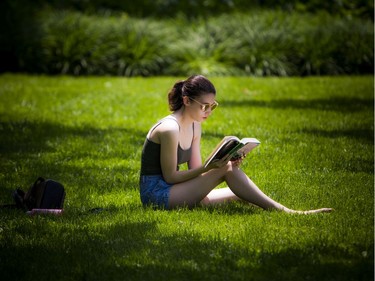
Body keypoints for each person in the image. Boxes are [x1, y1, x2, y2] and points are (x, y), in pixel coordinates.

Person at [139, 74, 332, 214]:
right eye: (204, 106)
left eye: (212, 106)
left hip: (174, 191)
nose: (208, 111)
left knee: (238, 189)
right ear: (187, 101)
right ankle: (288, 213)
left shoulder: (195, 126)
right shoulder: (169, 129)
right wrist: (211, 168)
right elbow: (171, 177)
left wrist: (223, 161)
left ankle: (268, 206)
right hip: (156, 195)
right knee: (227, 172)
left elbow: (195, 170)